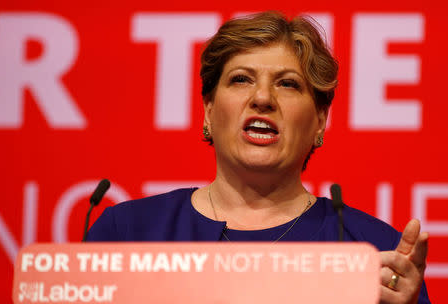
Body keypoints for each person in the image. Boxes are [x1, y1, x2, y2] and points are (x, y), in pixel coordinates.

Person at [87, 11, 430, 303]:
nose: (263, 98)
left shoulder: (371, 251)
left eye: (288, 84)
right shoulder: (128, 233)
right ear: (209, 111)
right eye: (241, 80)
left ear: (320, 121)